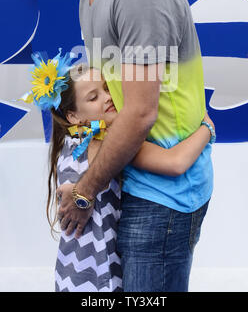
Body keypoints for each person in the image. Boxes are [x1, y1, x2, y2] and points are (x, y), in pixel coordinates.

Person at [55, 0, 215, 292]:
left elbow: (140, 113)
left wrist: (86, 190)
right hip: (129, 183)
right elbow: (110, 102)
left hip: (163, 194)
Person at [21, 50, 214, 292]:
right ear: (73, 116)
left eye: (106, 88)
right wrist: (207, 127)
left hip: (103, 270)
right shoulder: (102, 142)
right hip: (86, 279)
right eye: (93, 97)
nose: (107, 98)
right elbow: (175, 163)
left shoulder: (91, 139)